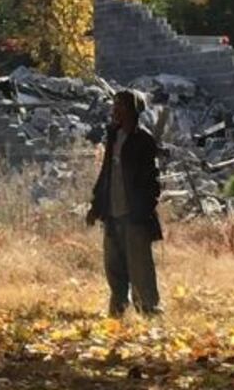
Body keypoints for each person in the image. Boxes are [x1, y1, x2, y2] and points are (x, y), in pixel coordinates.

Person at [86, 90, 162, 317]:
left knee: (141, 273)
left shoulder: (143, 140)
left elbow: (152, 183)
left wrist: (142, 212)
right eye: (114, 105)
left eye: (120, 106)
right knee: (114, 271)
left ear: (133, 111)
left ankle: (149, 316)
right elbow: (106, 174)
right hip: (112, 215)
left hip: (135, 218)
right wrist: (96, 206)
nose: (115, 110)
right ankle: (117, 317)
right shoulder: (113, 136)